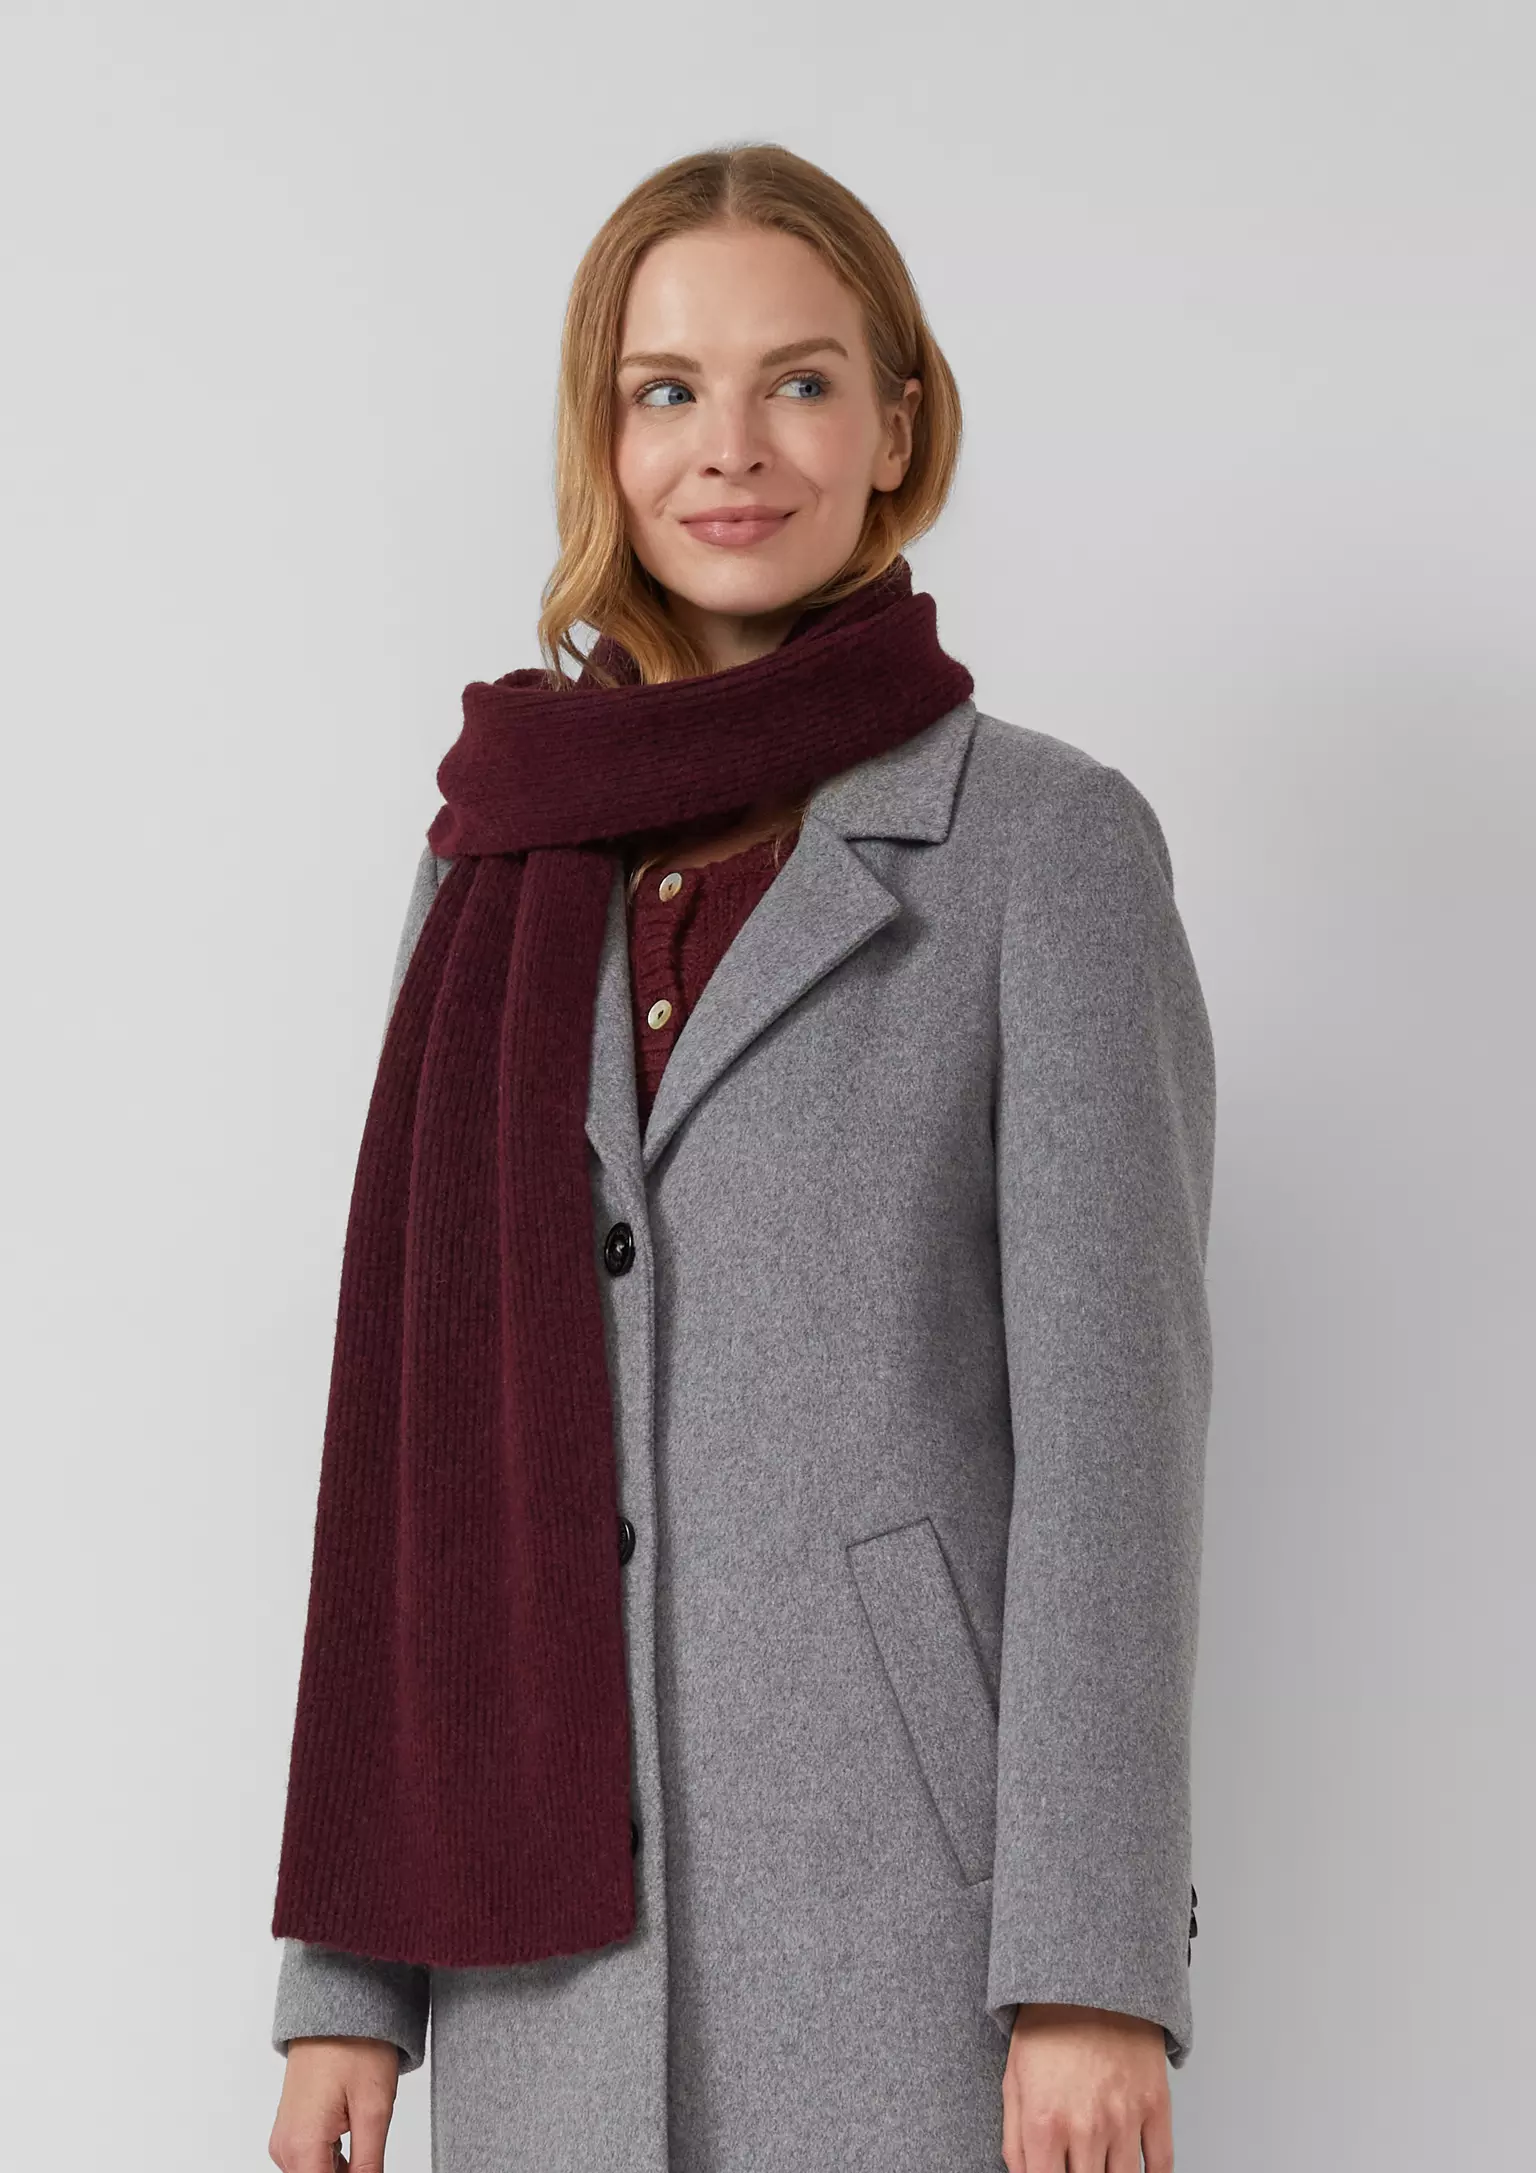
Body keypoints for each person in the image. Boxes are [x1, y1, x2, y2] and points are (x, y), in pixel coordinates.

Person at [265, 141, 1214, 2173]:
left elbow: (1114, 1454)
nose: (732, 447)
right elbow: (413, 1436)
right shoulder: (489, 860)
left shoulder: (1045, 852)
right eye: (667, 389)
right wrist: (346, 1979)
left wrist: (1093, 1966)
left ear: (898, 428)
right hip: (539, 1958)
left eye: (800, 380)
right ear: (602, 439)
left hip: (919, 1928)